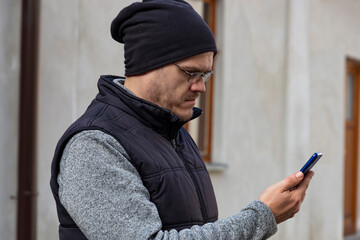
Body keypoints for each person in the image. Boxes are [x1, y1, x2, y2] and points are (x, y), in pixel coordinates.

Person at [50, 0, 314, 239]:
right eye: (191, 73)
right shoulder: (94, 145)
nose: (201, 88)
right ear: (148, 63)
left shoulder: (174, 133)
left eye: (206, 75)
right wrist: (262, 217)